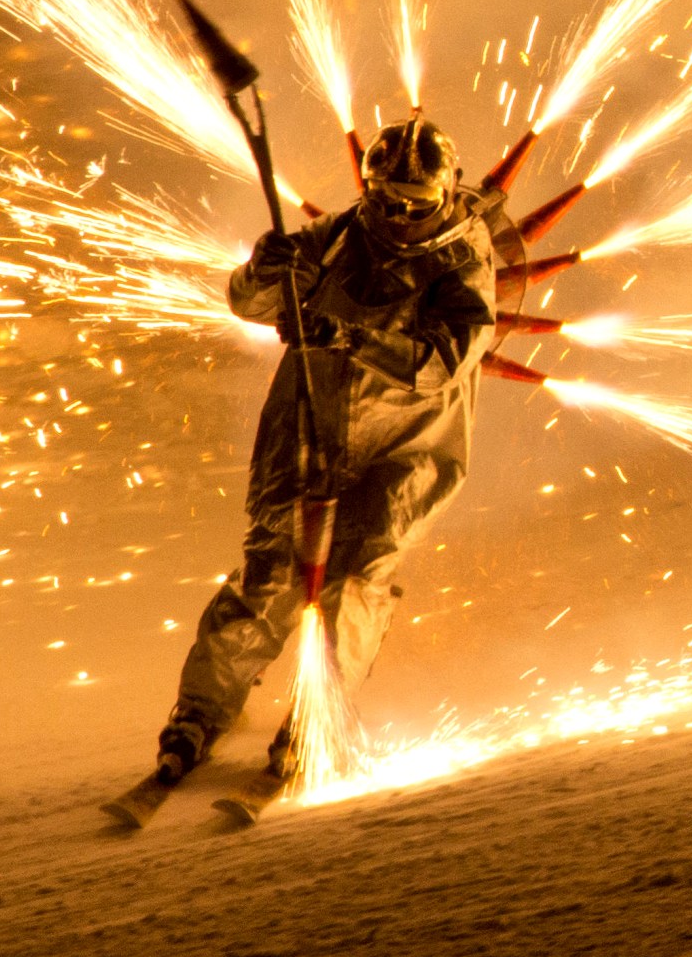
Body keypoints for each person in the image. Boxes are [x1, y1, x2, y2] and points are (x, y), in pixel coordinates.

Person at [135, 109, 503, 805]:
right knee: (269, 574)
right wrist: (261, 270)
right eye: (385, 199)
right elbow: (250, 301)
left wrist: (350, 335)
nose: (396, 215)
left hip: (409, 448)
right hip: (307, 424)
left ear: (445, 193)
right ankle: (201, 710)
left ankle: (315, 721)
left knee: (358, 577)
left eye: (413, 204)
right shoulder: (342, 235)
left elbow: (442, 361)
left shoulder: (462, 257)